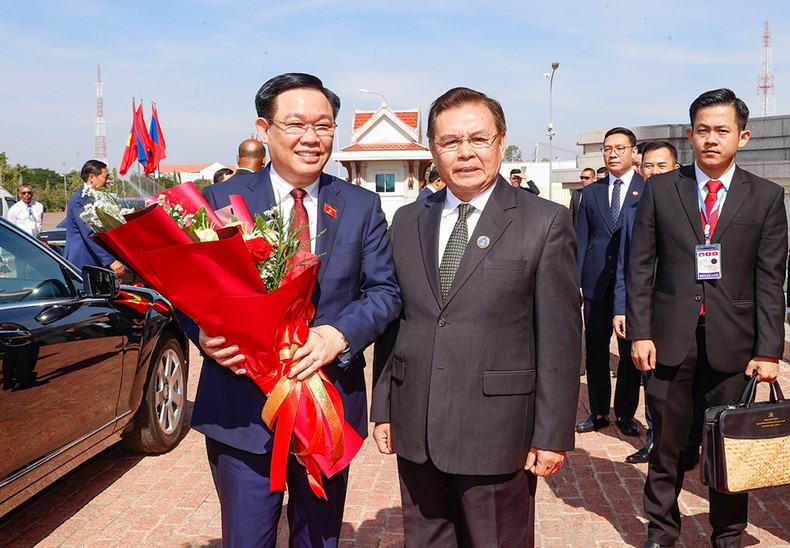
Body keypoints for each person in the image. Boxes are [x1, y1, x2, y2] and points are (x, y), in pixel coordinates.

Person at [195, 73, 401, 547]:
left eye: (324, 126)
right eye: (295, 124)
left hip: (327, 408)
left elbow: (385, 292)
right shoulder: (222, 201)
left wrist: (336, 336)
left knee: (318, 540)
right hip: (243, 411)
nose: (312, 137)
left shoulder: (362, 205)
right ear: (263, 130)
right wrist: (203, 335)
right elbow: (187, 291)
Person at [371, 87, 581, 546]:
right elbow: (396, 321)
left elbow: (561, 340)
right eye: (450, 141)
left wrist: (551, 432)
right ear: (432, 150)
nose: (464, 152)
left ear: (501, 143)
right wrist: (384, 406)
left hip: (498, 430)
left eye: (478, 139)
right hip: (418, 423)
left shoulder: (544, 222)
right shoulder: (408, 220)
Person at [627, 88, 786, 548]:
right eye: (702, 130)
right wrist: (639, 332)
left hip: (735, 346)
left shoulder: (766, 197)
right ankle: (661, 531)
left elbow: (770, 280)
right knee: (668, 446)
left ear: (744, 135)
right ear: (690, 135)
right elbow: (639, 266)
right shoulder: (660, 189)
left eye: (722, 130)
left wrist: (767, 350)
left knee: (728, 447)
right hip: (668, 340)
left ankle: (729, 534)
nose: (711, 139)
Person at [612, 141, 680, 464]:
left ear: (676, 169)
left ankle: (688, 442)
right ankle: (655, 438)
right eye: (648, 166)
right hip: (645, 311)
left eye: (661, 166)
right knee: (651, 380)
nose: (653, 172)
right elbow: (626, 266)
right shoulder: (632, 212)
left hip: (683, 311)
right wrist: (621, 308)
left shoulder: (691, 209)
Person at [575, 127, 644, 437]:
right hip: (596, 286)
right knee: (597, 350)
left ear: (633, 152)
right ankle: (600, 410)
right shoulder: (590, 193)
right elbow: (580, 240)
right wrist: (576, 283)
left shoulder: (649, 190)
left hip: (632, 287)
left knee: (630, 354)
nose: (612, 154)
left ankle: (626, 413)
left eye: (619, 148)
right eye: (607, 149)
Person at [63, 160, 125, 276]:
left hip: (95, 262)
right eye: (105, 177)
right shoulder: (81, 200)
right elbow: (90, 233)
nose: (107, 182)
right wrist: (110, 261)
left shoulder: (96, 196)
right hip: (83, 262)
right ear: (91, 177)